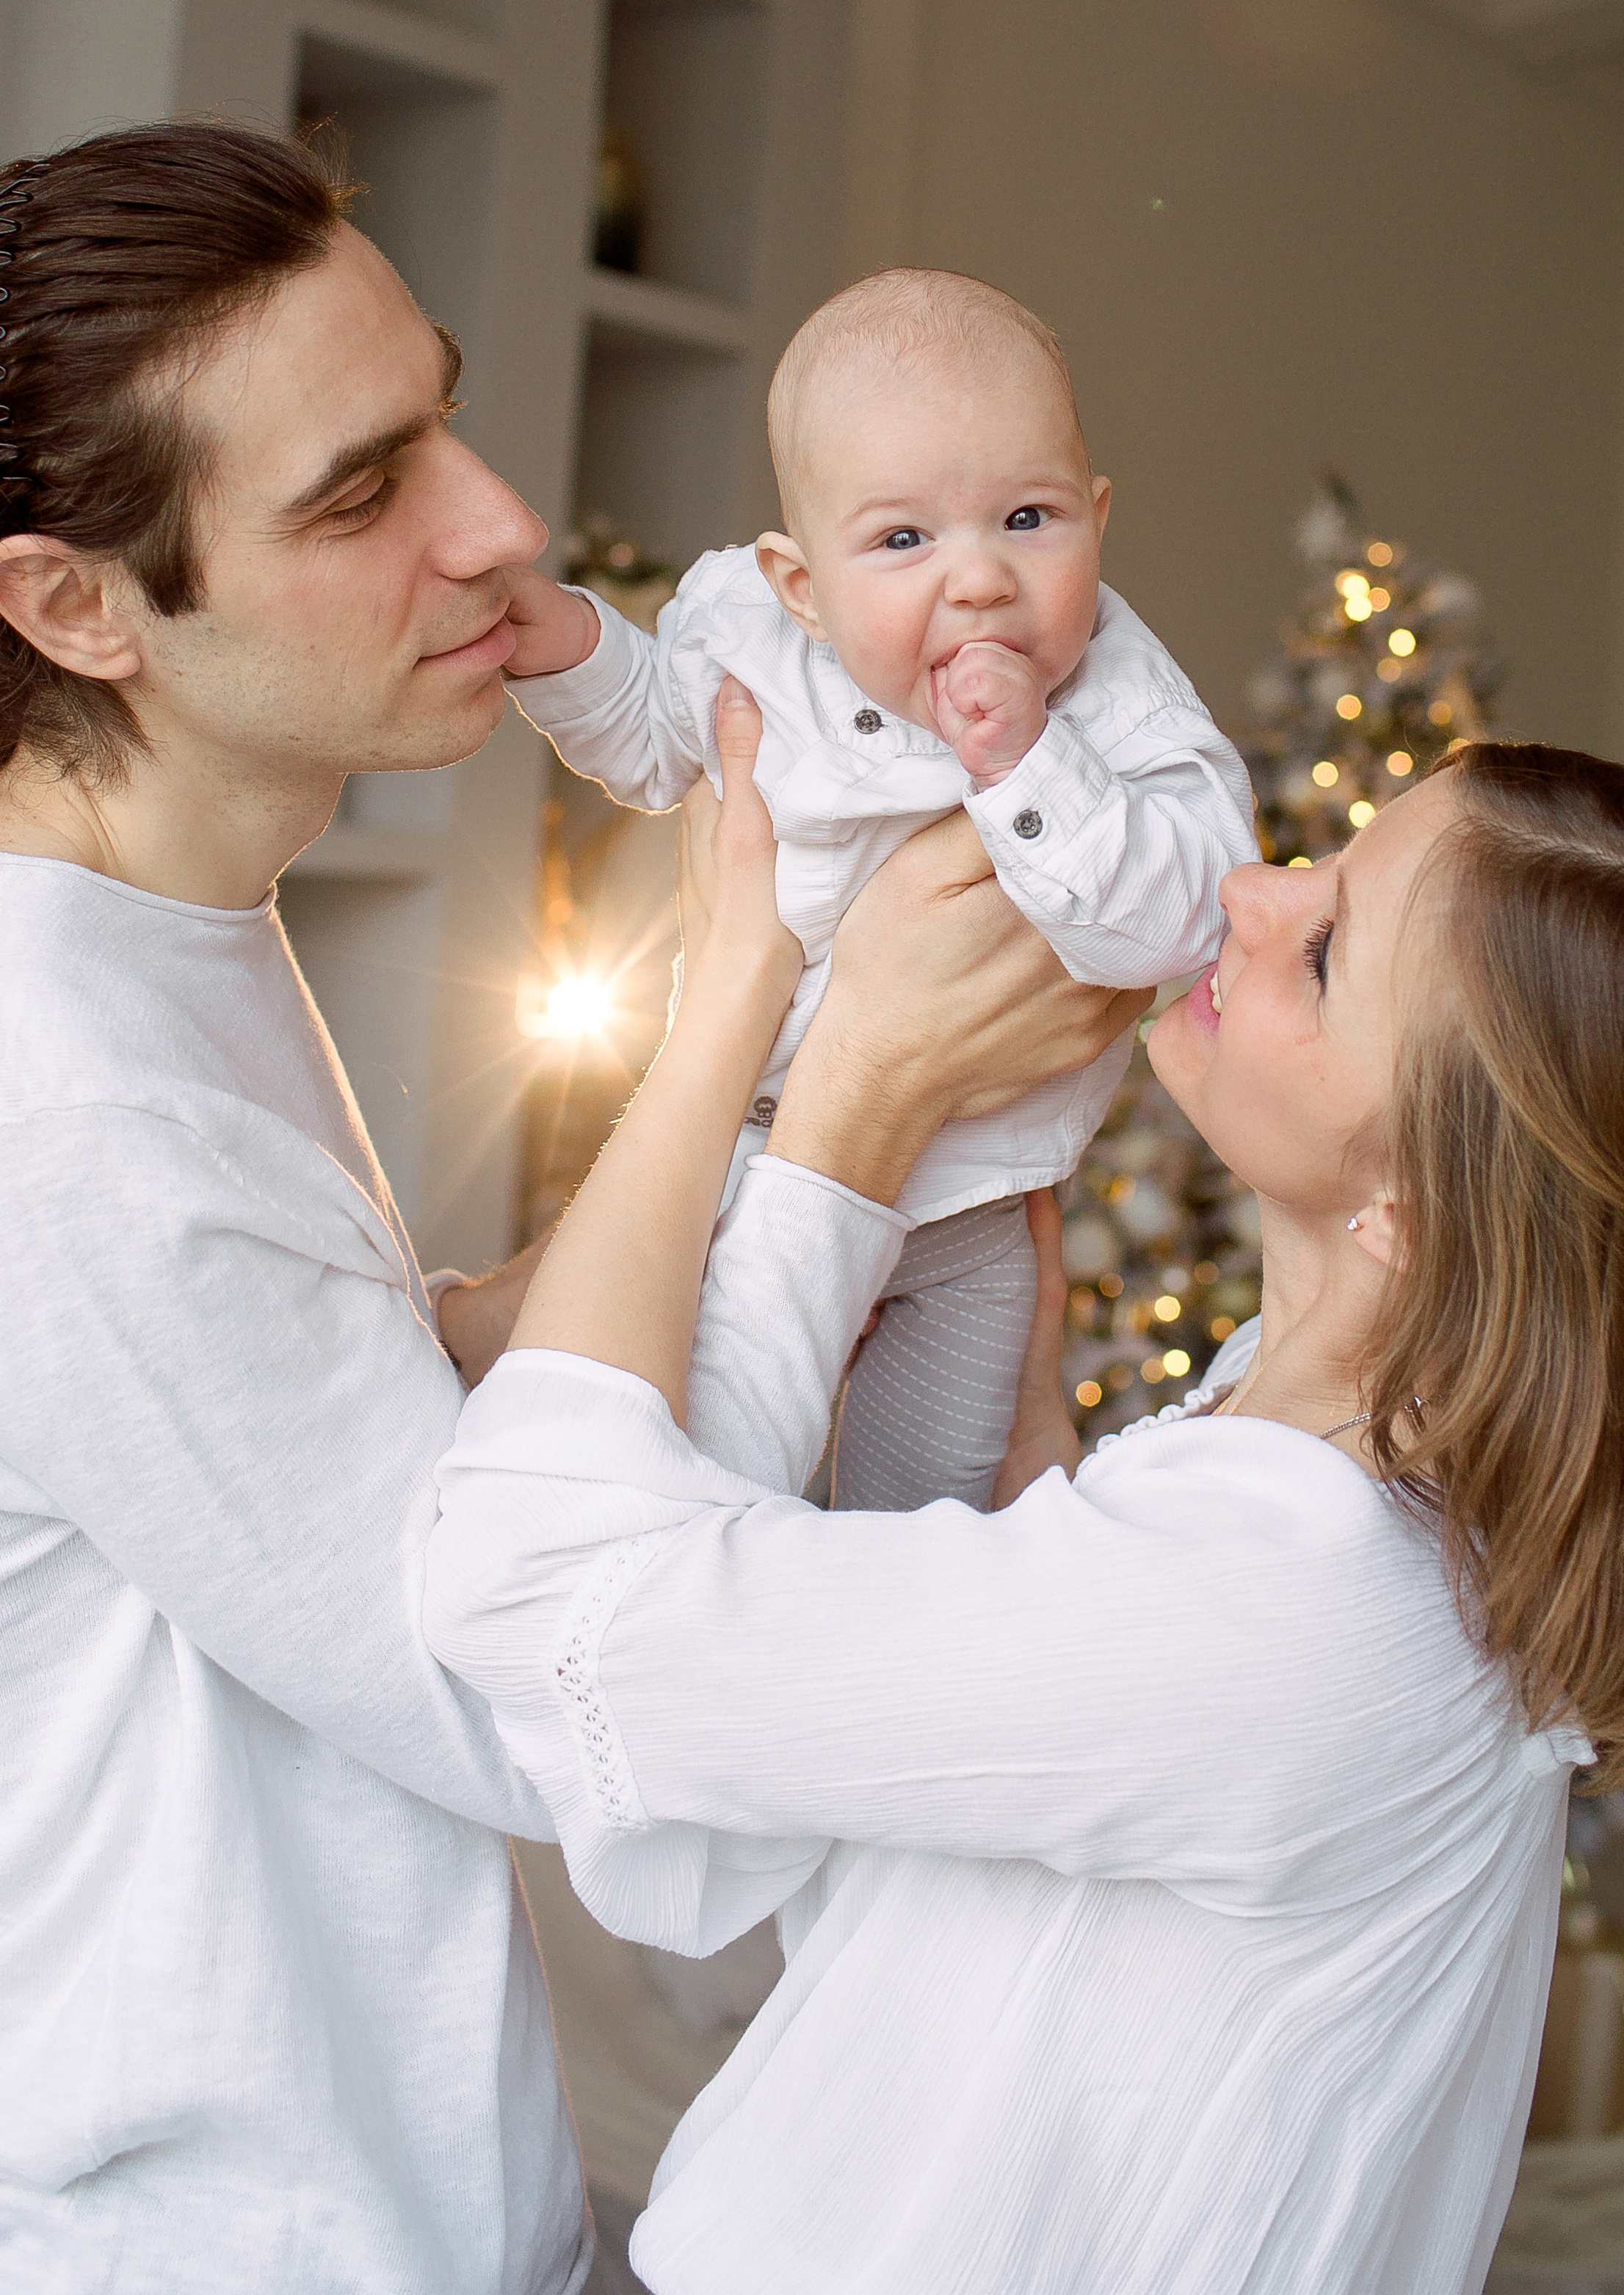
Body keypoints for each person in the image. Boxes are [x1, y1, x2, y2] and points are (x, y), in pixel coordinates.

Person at [0, 118, 1140, 2295]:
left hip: (433, 2256)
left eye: (439, 410)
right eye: (358, 493)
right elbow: (585, 1699)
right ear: (78, 607)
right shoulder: (68, 1116)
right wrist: (812, 1071)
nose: (498, 522)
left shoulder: (166, 936)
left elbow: (276, 1401)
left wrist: (519, 1304)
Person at [426, 693, 1624, 2295]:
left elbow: (528, 1596)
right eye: (1322, 861)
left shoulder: (1289, 1589)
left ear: (1405, 1214)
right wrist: (1020, 1472)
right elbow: (798, 1856)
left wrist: (749, 1031)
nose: (1252, 889)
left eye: (1325, 954)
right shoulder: (1354, 1511)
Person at [499, 269, 1255, 1510]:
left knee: (920, 1517)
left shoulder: (1122, 705)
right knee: (666, 1475)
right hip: (729, 1170)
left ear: (1098, 518)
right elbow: (652, 739)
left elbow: (1187, 912)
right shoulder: (745, 631)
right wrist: (564, 648)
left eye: (1028, 518)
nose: (977, 580)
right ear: (801, 585)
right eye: (904, 540)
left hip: (967, 1214)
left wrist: (1031, 765)